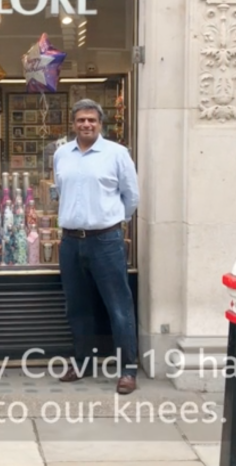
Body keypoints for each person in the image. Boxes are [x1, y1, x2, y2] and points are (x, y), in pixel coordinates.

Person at [53, 98, 140, 395]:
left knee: (119, 307)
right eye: (81, 120)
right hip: (70, 241)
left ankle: (127, 369)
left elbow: (131, 196)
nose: (86, 124)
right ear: (73, 123)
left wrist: (112, 221)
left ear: (100, 124)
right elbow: (60, 189)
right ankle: (82, 362)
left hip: (106, 240)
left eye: (92, 120)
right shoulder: (62, 154)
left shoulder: (117, 154)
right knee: (77, 306)